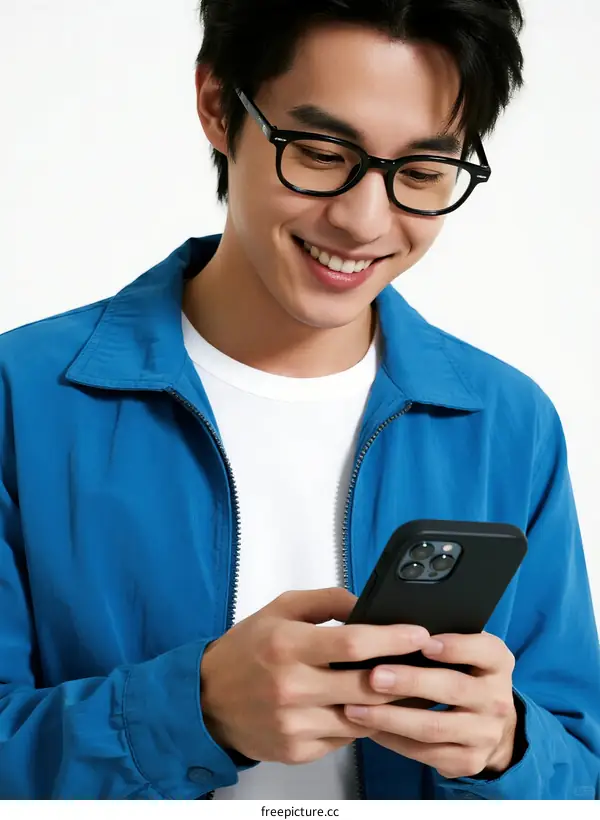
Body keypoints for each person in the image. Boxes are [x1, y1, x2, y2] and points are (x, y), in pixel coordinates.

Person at [0, 0, 598, 801]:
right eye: (320, 153)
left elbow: (581, 766)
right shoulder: (23, 396)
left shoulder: (507, 422)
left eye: (421, 173)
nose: (362, 220)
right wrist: (195, 713)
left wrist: (507, 748)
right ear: (218, 105)